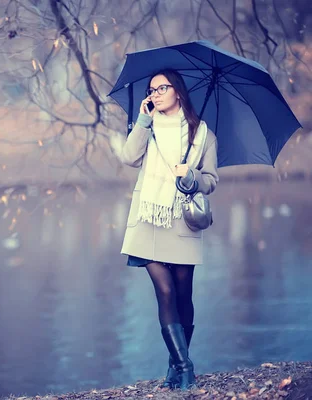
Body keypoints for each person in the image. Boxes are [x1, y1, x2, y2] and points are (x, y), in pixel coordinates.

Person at [119, 69, 219, 390]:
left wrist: (191, 176)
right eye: (152, 89)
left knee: (182, 294)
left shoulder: (202, 134)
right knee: (164, 292)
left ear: (177, 90)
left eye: (162, 87)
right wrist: (143, 123)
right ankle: (185, 366)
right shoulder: (146, 127)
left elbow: (211, 180)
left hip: (181, 220)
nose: (156, 93)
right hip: (148, 218)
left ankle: (175, 368)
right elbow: (128, 157)